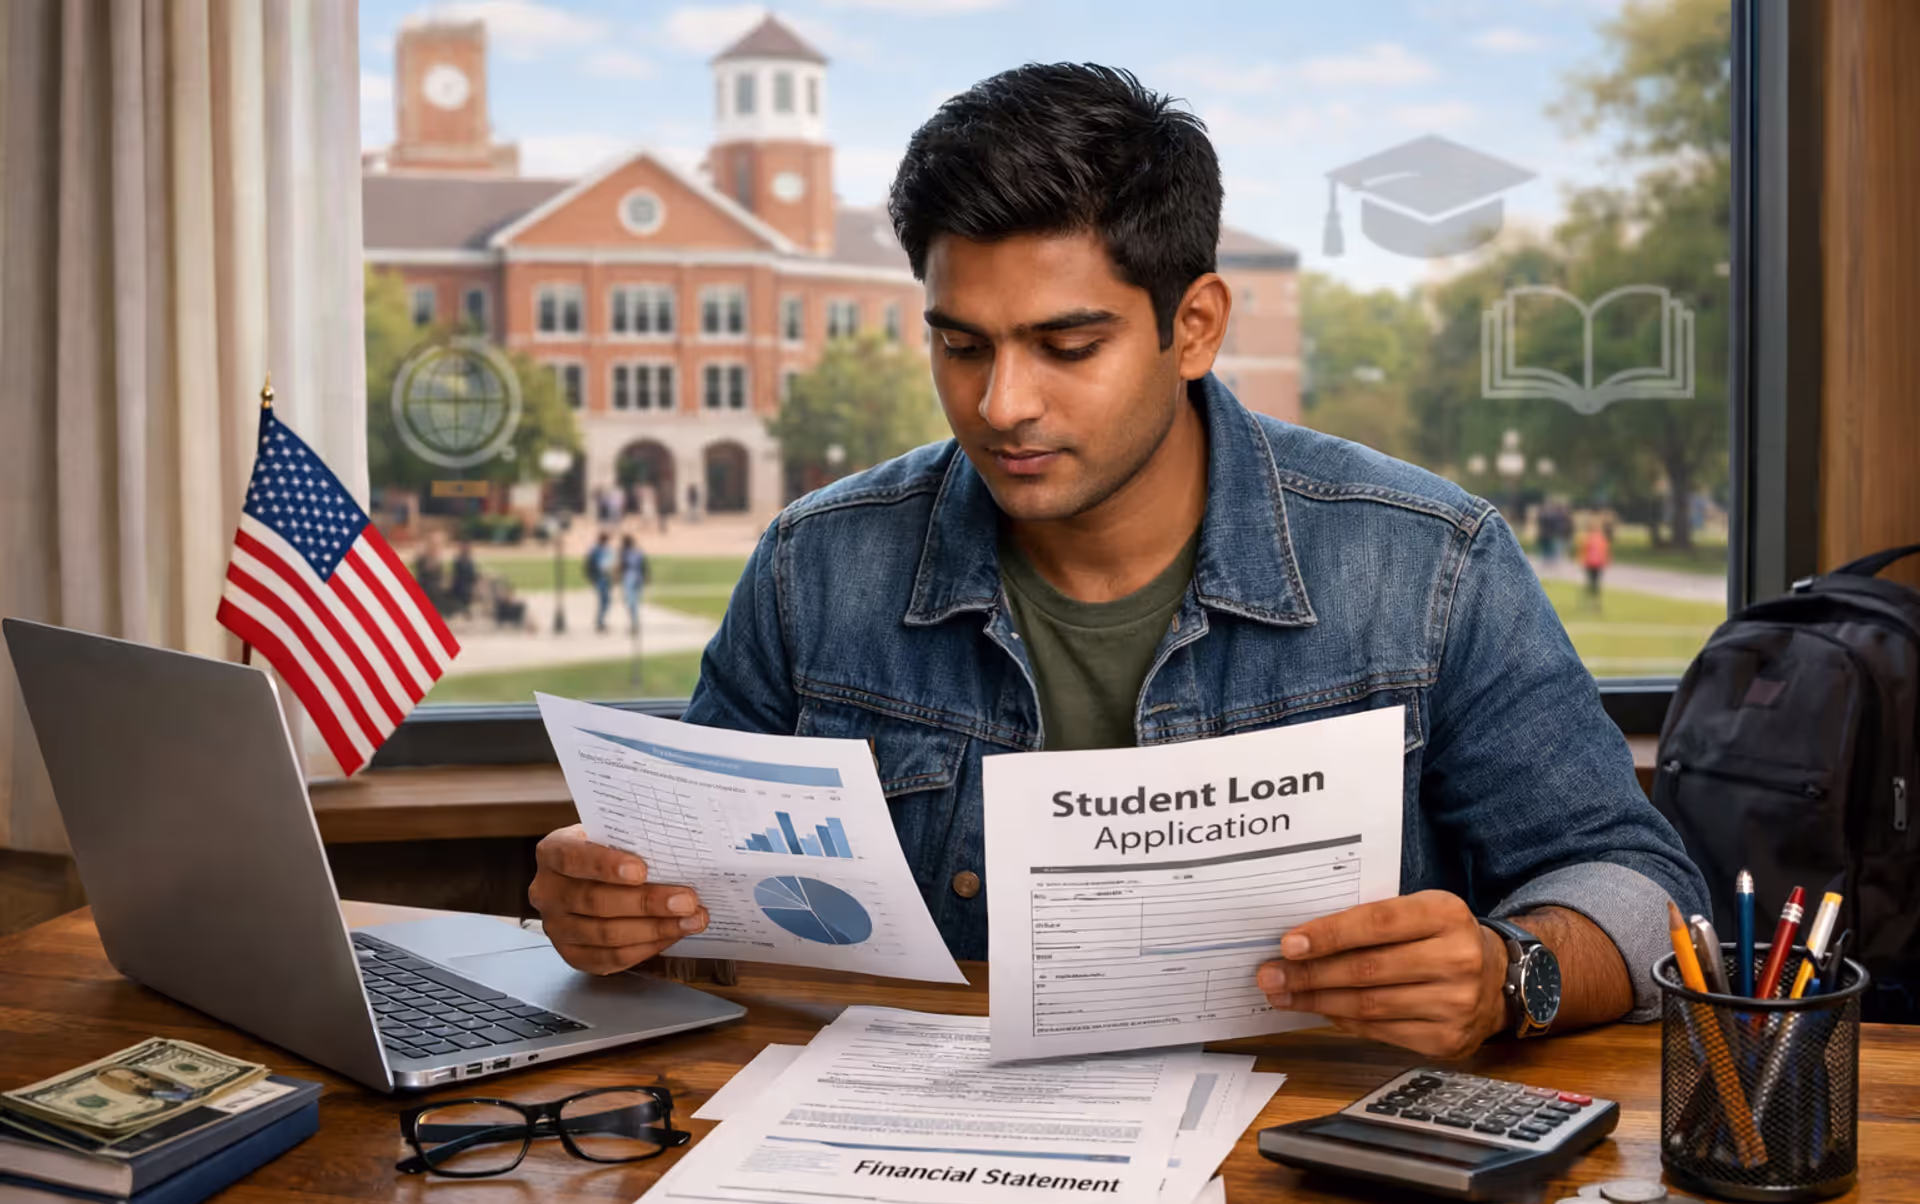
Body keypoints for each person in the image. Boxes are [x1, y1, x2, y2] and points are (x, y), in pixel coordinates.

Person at [527, 63, 1709, 1060]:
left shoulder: (1428, 562)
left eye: (1067, 344)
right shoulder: (811, 566)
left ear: (1192, 325)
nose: (1002, 404)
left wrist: (1510, 973)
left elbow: (1644, 887)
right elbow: (696, 915)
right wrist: (618, 909)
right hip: (901, 1163)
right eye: (961, 344)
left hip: (1301, 1170)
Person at [620, 534, 648, 637]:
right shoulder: (638, 552)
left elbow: (622, 567)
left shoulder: (624, 553)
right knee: (634, 603)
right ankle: (634, 623)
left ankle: (634, 624)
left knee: (631, 603)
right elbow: (644, 566)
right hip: (638, 578)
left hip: (629, 579)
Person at [584, 532, 613, 634]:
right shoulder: (596, 550)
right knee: (604, 601)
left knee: (606, 601)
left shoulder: (604, 550)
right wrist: (592, 577)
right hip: (599, 578)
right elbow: (590, 565)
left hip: (604, 578)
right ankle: (600, 622)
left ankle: (600, 621)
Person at [1582, 518, 1613, 607]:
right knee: (1594, 583)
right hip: (1592, 563)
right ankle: (1593, 602)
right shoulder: (1597, 538)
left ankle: (1593, 602)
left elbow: (1605, 551)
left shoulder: (1593, 538)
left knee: (1593, 583)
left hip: (1595, 563)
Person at [449, 540, 479, 620]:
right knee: (469, 590)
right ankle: (465, 611)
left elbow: (472, 575)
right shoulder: (459, 561)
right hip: (461, 587)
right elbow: (460, 576)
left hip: (466, 586)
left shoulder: (469, 561)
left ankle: (466, 611)